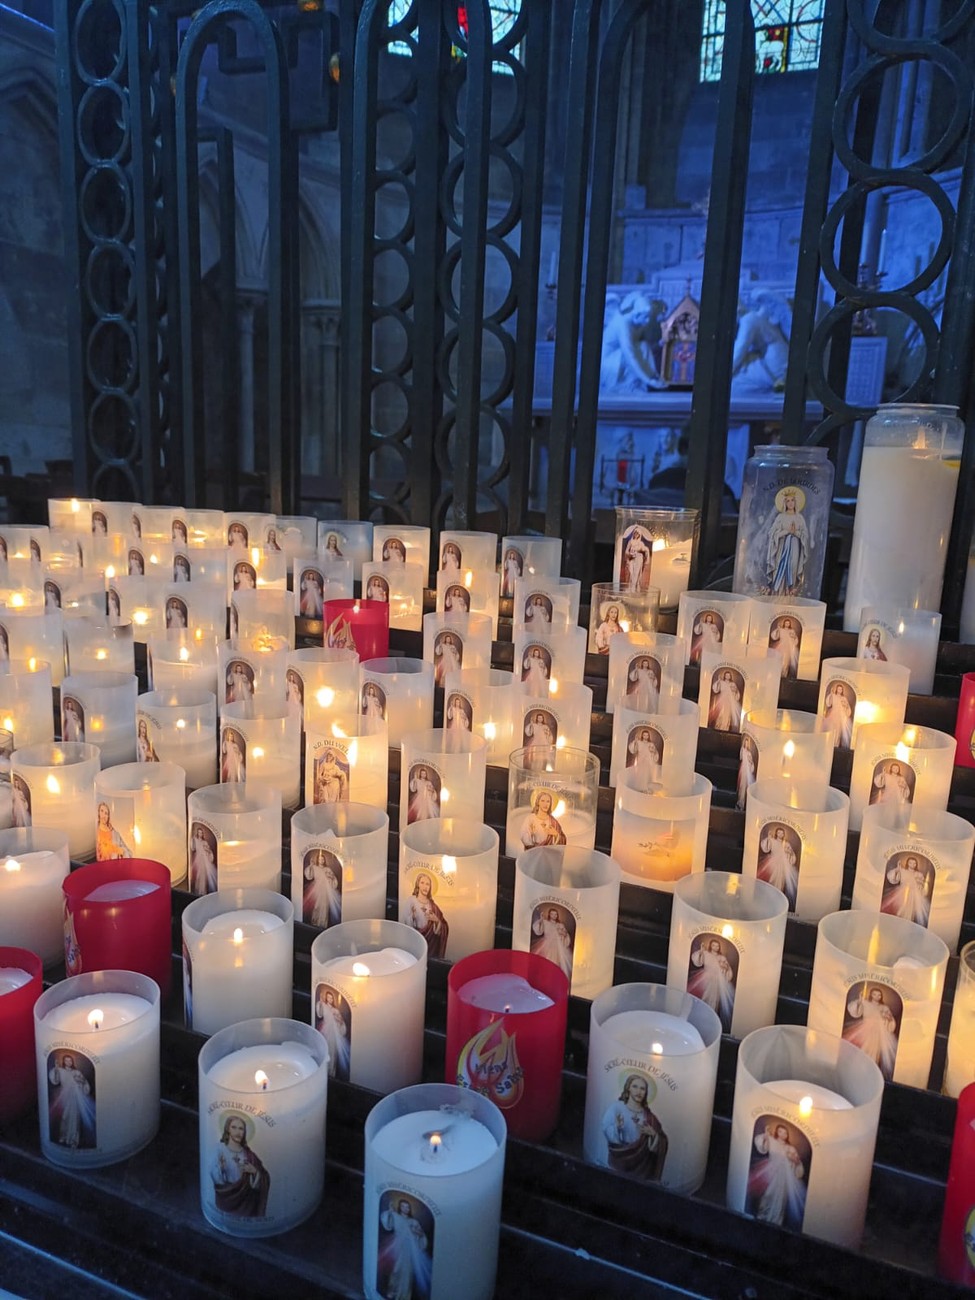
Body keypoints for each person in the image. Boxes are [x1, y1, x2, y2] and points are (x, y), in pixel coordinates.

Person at [601, 1074, 668, 1180]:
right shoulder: (616, 1107)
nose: (639, 1092)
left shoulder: (650, 1117)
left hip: (642, 1168)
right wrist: (617, 1127)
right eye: (635, 1086)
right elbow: (606, 1129)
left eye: (642, 1089)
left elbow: (663, 1140)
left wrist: (654, 1135)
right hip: (619, 1160)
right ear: (628, 1088)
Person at [747, 1119, 806, 1229]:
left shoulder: (791, 1148)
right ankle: (761, 1220)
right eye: (780, 1131)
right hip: (771, 1172)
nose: (782, 1134)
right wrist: (766, 1135)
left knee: (780, 1200)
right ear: (777, 1132)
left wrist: (796, 1161)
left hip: (784, 1177)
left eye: (785, 1132)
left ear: (787, 1135)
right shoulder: (772, 1141)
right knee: (767, 1195)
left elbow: (797, 1164)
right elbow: (763, 1148)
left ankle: (775, 1224)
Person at [210, 1114, 270, 1218]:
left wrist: (255, 1172)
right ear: (228, 1129)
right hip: (225, 1199)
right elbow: (214, 1176)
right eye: (234, 1127)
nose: (238, 1132)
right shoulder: (219, 1149)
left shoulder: (249, 1154)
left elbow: (265, 1176)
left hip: (246, 1205)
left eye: (241, 1129)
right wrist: (220, 1169)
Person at [378, 1197, 432, 1300]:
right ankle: (393, 1291)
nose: (405, 1209)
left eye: (407, 1207)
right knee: (396, 1269)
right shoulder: (396, 1216)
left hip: (410, 1249)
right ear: (400, 1207)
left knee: (407, 1273)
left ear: (409, 1209)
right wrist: (390, 1212)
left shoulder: (414, 1221)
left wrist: (418, 1233)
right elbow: (388, 1224)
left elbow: (421, 1236)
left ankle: (404, 1296)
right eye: (403, 1206)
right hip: (397, 1246)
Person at [844, 985, 898, 1079]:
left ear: (881, 996)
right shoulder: (865, 1003)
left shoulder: (884, 1007)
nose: (877, 996)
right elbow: (856, 1012)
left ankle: (869, 1073)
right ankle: (857, 1070)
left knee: (874, 1051)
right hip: (865, 1028)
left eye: (879, 995)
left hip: (878, 1031)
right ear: (871, 995)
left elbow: (890, 1020)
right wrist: (859, 1001)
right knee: (862, 1048)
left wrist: (887, 1017)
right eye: (874, 994)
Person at [765, 490, 809, 596]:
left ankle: (789, 594)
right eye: (788, 501)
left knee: (792, 568)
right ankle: (778, 594)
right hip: (781, 548)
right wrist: (786, 532)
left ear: (795, 502)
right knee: (779, 568)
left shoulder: (799, 518)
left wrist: (795, 533)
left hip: (795, 547)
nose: (790, 503)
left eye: (792, 500)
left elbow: (805, 535)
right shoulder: (781, 517)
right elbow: (772, 533)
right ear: (785, 503)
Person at [688, 936, 735, 1033]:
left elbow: (727, 970)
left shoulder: (722, 957)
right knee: (703, 996)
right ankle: (698, 1018)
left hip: (716, 981)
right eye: (713, 945)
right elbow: (698, 962)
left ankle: (709, 1021)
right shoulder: (706, 954)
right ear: (711, 946)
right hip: (705, 977)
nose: (715, 947)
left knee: (714, 1000)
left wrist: (725, 968)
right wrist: (701, 952)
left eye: (717, 946)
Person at [48, 1053, 95, 1150]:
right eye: (66, 1060)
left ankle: (74, 1140)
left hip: (75, 1096)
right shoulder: (60, 1070)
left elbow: (84, 1084)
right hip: (64, 1096)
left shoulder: (76, 1072)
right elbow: (55, 1081)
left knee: (74, 1118)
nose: (68, 1062)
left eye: (70, 1060)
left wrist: (81, 1081)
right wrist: (56, 1069)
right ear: (64, 1061)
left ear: (72, 1062)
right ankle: (64, 1136)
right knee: (65, 1116)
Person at [404, 872, 448, 957]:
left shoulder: (433, 906)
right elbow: (405, 922)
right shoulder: (411, 900)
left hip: (430, 946)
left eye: (428, 884)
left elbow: (444, 926)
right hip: (414, 941)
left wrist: (436, 920)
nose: (425, 887)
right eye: (422, 883)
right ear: (418, 884)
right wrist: (412, 917)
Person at [757, 824, 799, 911]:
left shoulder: (786, 844)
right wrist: (768, 838)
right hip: (773, 862)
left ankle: (777, 900)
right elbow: (766, 848)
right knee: (771, 879)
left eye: (782, 833)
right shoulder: (772, 841)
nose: (780, 834)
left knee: (781, 882)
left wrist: (789, 852)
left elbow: (791, 856)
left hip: (783, 865)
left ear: (784, 834)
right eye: (779, 833)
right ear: (776, 833)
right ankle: (768, 899)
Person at [883, 854, 932, 927]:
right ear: (907, 863)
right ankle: (897, 925)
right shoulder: (903, 871)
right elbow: (894, 880)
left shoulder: (918, 874)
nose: (912, 865)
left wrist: (919, 883)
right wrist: (897, 870)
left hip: (914, 894)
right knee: (900, 910)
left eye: (914, 863)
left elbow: (922, 886)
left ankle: (907, 926)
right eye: (910, 863)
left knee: (911, 912)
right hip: (902, 893)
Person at [315, 986, 350, 1080]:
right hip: (325, 1030)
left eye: (331, 998)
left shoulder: (336, 1010)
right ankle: (322, 1071)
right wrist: (320, 1003)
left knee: (332, 1052)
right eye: (328, 997)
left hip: (334, 1033)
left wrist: (339, 1021)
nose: (330, 999)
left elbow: (342, 1025)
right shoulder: (324, 1006)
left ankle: (331, 1074)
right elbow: (319, 1014)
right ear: (326, 998)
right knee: (323, 1049)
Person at [530, 905, 572, 978]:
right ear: (549, 914)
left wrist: (562, 933)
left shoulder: (560, 925)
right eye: (552, 914)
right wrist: (540, 920)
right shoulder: (545, 922)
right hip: (547, 944)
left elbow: (565, 935)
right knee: (545, 961)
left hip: (557, 946)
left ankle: (553, 978)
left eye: (555, 914)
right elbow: (539, 930)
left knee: (557, 962)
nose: (554, 916)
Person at [304, 850, 342, 928]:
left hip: (326, 890)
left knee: (324, 907)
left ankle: (323, 924)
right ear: (317, 860)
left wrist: (331, 877)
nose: (321, 861)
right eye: (320, 859)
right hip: (316, 889)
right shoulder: (314, 867)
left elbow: (334, 881)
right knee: (316, 906)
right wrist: (311, 865)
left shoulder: (328, 869)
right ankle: (314, 923)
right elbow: (309, 876)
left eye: (322, 859)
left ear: (324, 860)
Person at [823, 680, 853, 748]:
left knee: (838, 731)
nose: (839, 690)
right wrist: (831, 694)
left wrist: (845, 707)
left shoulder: (844, 698)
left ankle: (835, 745)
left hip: (840, 716)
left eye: (841, 689)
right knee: (831, 729)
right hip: (833, 715)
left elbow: (847, 707)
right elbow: (829, 703)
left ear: (842, 690)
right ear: (836, 689)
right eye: (839, 689)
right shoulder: (833, 696)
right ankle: (828, 744)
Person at [621, 526, 651, 593]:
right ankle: (630, 587)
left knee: (636, 574)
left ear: (639, 535)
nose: (636, 535)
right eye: (635, 533)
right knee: (630, 572)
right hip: (631, 559)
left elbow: (646, 550)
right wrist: (629, 554)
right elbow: (626, 551)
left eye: (637, 533)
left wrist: (646, 555)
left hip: (638, 559)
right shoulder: (630, 542)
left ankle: (634, 588)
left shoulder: (641, 543)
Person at [190, 824, 217, 894]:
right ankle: (197, 890)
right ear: (197, 833)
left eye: (201, 833)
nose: (200, 834)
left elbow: (209, 850)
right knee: (198, 875)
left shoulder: (205, 842)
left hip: (204, 860)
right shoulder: (195, 840)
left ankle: (203, 891)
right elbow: (193, 848)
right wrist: (192, 839)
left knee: (203, 875)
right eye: (199, 833)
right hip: (198, 859)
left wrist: (207, 850)